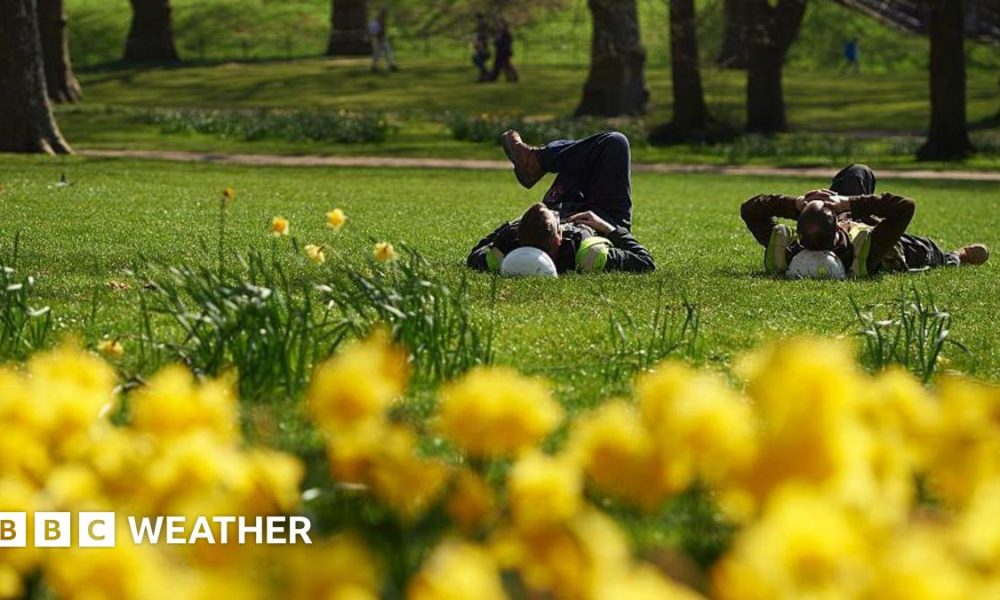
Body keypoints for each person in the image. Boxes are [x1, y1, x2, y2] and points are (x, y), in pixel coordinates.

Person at [741, 164, 990, 278]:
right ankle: (959, 255)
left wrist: (798, 205)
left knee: (857, 172)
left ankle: (849, 207)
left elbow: (750, 209)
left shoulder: (789, 249)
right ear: (837, 224)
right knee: (932, 252)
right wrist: (848, 204)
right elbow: (905, 207)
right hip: (895, 244)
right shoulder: (866, 254)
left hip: (850, 218)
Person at [467, 131, 654, 274]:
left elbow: (475, 255)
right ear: (558, 238)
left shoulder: (506, 248)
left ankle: (535, 161)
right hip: (603, 215)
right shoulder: (588, 256)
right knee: (614, 142)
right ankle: (537, 160)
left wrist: (514, 225)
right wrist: (608, 228)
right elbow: (645, 262)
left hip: (564, 204)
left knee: (574, 156)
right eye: (555, 220)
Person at [369, 8, 398, 73]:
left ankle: (391, 65)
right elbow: (375, 31)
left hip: (382, 38)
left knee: (387, 51)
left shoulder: (382, 20)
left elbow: (384, 30)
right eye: (384, 13)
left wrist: (386, 35)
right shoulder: (376, 20)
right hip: (377, 38)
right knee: (377, 53)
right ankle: (374, 67)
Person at [472, 13, 491, 82]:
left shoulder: (482, 25)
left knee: (477, 59)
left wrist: (479, 44)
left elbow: (482, 38)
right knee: (478, 61)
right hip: (481, 46)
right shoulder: (481, 25)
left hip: (482, 47)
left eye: (477, 19)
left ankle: (486, 74)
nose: (476, 21)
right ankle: (483, 76)